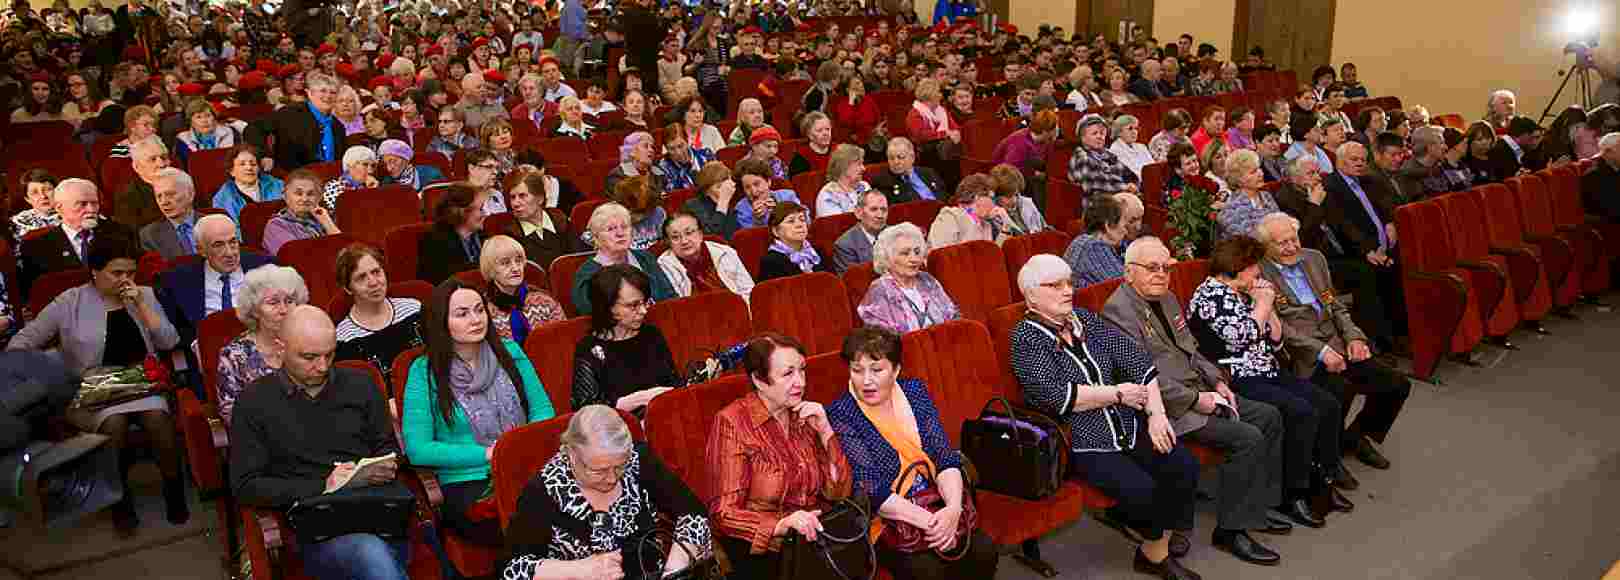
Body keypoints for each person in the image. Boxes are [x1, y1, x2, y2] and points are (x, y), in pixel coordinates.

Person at [1007, 254, 1202, 580]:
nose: (1067, 290)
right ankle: (1155, 553)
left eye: (1069, 283)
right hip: (1081, 440)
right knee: (1144, 491)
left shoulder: (1084, 319)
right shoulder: (1026, 338)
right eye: (1054, 286)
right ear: (1031, 295)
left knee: (1182, 465)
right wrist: (1118, 394)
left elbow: (1139, 362)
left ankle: (1159, 543)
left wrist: (1156, 415)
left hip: (1126, 422)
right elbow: (1059, 396)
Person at [1101, 237, 1290, 564]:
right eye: (1152, 268)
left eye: (1166, 267)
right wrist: (1195, 398)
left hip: (1201, 388)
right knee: (1248, 437)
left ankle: (1256, 507)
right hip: (1164, 406)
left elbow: (1192, 349)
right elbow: (1142, 375)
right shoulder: (1118, 310)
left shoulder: (1168, 298)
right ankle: (1231, 531)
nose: (1161, 274)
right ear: (1129, 272)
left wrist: (1217, 379)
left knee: (1269, 416)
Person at [8, 237, 186, 534]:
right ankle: (119, 499)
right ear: (94, 271)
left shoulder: (144, 295)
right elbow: (22, 343)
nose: (125, 280)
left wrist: (142, 305)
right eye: (116, 273)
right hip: (92, 390)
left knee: (157, 418)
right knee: (113, 424)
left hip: (140, 383)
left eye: (130, 273)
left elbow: (169, 342)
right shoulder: (69, 302)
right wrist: (51, 369)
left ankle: (174, 489)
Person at [229, 305, 409, 580]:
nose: (322, 366)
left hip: (376, 509)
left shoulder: (361, 384)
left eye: (329, 354)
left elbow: (387, 447)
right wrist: (324, 485)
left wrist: (383, 466)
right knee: (372, 555)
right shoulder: (254, 402)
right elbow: (245, 486)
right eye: (309, 357)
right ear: (280, 349)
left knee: (379, 553)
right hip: (316, 526)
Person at [1185, 237, 1357, 519]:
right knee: (1300, 412)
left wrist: (1269, 310)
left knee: (1328, 404)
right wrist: (1264, 304)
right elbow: (1240, 339)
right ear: (1237, 267)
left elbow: (1275, 343)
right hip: (1237, 377)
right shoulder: (1208, 296)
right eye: (1254, 267)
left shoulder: (1245, 292)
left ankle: (1322, 478)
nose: (1258, 273)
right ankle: (1293, 493)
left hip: (1266, 369)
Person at [826, 326, 1000, 577]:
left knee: (984, 551)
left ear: (895, 370)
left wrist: (952, 510)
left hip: (935, 499)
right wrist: (936, 527)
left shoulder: (914, 392)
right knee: (927, 571)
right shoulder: (843, 412)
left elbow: (943, 455)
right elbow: (873, 490)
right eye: (857, 370)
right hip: (890, 519)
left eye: (876, 370)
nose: (866, 380)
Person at [403, 278, 554, 546]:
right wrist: (488, 453)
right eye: (462, 314)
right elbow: (418, 448)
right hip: (467, 481)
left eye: (479, 309)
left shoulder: (509, 351)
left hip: (525, 466)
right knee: (528, 524)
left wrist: (518, 448)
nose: (476, 319)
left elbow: (543, 412)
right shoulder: (423, 371)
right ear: (441, 322)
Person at [1255, 213, 1411, 471]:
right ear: (1266, 247)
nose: (1292, 247)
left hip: (1339, 342)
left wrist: (1355, 337)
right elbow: (1283, 329)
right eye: (1282, 243)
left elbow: (1335, 305)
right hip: (1303, 355)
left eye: (1294, 239)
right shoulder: (1260, 273)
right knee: (1340, 389)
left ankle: (1354, 437)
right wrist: (1322, 350)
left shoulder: (1314, 258)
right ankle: (1329, 456)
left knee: (1396, 385)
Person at [705, 332, 852, 578]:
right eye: (788, 374)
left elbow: (838, 492)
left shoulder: (803, 415)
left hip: (813, 541)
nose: (801, 382)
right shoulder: (733, 422)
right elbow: (724, 514)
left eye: (802, 370)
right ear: (760, 381)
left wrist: (826, 430)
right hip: (765, 552)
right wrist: (781, 525)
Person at [504, 405, 712, 578]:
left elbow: (693, 512)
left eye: (619, 466)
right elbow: (514, 569)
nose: (612, 478)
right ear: (570, 454)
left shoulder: (638, 460)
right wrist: (580, 570)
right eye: (599, 471)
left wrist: (675, 568)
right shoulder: (542, 492)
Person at [1322, 142, 1407, 351]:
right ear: (1339, 161)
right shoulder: (1331, 186)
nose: (1360, 163)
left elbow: (1385, 203)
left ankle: (1402, 334)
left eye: (1363, 159)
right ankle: (1377, 341)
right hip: (1355, 251)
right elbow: (1342, 225)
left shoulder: (1369, 180)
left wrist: (1389, 222)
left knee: (1403, 269)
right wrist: (1367, 251)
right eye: (1354, 159)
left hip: (1383, 245)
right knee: (1369, 277)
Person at [572, 264, 681, 414]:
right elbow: (586, 410)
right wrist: (635, 400)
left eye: (645, 302)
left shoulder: (652, 334)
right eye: (633, 305)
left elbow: (673, 384)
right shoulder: (589, 349)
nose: (643, 311)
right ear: (608, 306)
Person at [214, 264, 308, 426]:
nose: (284, 309)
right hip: (265, 440)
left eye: (289, 301)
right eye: (273, 303)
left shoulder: (309, 340)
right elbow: (232, 414)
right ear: (255, 310)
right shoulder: (234, 356)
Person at [18, 179, 136, 297]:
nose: (91, 209)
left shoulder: (120, 234)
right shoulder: (37, 247)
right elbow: (35, 294)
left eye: (94, 203)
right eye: (82, 204)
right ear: (59, 208)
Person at [332, 243, 424, 391]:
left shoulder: (414, 309)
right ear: (347, 288)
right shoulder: (344, 339)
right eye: (361, 277)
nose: (374, 282)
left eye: (376, 272)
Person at [570, 202, 677, 314]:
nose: (620, 233)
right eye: (611, 229)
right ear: (596, 237)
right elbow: (593, 318)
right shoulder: (587, 275)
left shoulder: (645, 258)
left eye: (625, 227)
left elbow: (670, 299)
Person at [857, 223, 961, 333]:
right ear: (887, 258)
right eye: (905, 253)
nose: (914, 259)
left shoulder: (927, 280)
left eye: (917, 252)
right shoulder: (880, 290)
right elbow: (883, 341)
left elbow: (953, 316)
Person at [244, 72, 346, 171]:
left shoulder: (338, 126)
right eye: (323, 91)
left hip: (327, 179)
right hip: (292, 176)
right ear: (310, 93)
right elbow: (253, 129)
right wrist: (264, 155)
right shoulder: (290, 113)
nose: (328, 96)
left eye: (333, 92)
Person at [479, 235, 565, 344]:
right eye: (505, 263)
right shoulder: (483, 310)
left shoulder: (545, 301)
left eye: (519, 261)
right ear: (490, 269)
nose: (515, 268)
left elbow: (563, 342)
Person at [658, 211, 757, 303]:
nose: (684, 241)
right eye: (675, 237)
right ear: (668, 242)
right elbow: (676, 306)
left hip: (735, 310)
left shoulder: (724, 252)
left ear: (700, 234)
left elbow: (748, 291)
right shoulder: (664, 265)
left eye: (689, 233)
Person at [503, 170, 583, 271]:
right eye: (512, 197)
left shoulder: (561, 221)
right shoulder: (510, 235)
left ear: (540, 198)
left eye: (522, 196)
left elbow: (579, 260)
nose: (515, 203)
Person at [418, 183, 487, 285]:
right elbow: (445, 282)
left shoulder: (483, 235)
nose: (485, 214)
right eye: (480, 209)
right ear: (463, 212)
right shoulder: (435, 242)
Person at [263, 169, 342, 256]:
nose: (304, 199)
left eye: (310, 194)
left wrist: (327, 223)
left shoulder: (327, 217)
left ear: (319, 198)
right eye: (298, 193)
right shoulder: (276, 225)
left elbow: (345, 251)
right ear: (284, 195)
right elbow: (298, 256)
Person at [1065, 194, 1136, 287]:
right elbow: (1127, 285)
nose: (1126, 232)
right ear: (1108, 226)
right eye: (1124, 226)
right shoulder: (1092, 246)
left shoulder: (1084, 241)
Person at [928, 173, 1015, 247]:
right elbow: (942, 255)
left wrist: (1005, 227)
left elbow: (992, 256)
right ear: (977, 197)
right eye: (991, 198)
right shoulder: (950, 216)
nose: (994, 204)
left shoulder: (985, 224)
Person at [904, 79, 963, 186]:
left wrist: (956, 133)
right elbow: (920, 136)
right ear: (930, 95)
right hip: (925, 151)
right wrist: (945, 134)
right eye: (938, 92)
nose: (941, 95)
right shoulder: (914, 113)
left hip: (944, 150)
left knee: (953, 150)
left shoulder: (942, 110)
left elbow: (955, 127)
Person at [1069, 114, 1141, 196]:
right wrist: (1125, 187)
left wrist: (1134, 185)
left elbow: (1131, 176)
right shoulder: (1081, 157)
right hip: (1097, 203)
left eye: (1102, 133)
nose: (1100, 137)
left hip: (1121, 197)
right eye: (1094, 133)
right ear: (1083, 138)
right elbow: (1095, 184)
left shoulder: (1108, 155)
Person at [759, 201, 832, 281]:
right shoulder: (771, 262)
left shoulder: (818, 251)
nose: (799, 225)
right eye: (791, 221)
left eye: (802, 219)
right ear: (775, 231)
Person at [137, 167, 200, 260]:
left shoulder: (214, 224)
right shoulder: (149, 235)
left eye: (170, 194)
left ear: (190, 194)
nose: (164, 202)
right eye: (159, 196)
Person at [212, 144, 286, 222]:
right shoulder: (222, 198)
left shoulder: (277, 185)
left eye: (253, 164)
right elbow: (229, 229)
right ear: (231, 171)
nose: (249, 168)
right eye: (242, 164)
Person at [1217, 151, 1279, 239]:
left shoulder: (1266, 196)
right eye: (1253, 172)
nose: (1261, 174)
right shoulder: (1232, 208)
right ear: (1239, 179)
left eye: (1259, 169)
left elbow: (1280, 223)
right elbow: (1248, 241)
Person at [872, 137, 949, 205]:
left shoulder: (929, 172)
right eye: (891, 158)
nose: (896, 162)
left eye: (900, 157)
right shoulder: (883, 182)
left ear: (912, 157)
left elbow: (944, 196)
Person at [990, 110, 1059, 185]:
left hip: (1024, 172)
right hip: (1004, 178)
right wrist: (1034, 173)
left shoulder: (1045, 140)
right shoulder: (1020, 143)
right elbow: (1009, 169)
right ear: (1046, 131)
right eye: (1055, 128)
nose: (1057, 130)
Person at [115, 137, 171, 229]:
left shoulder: (181, 182)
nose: (162, 164)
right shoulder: (128, 195)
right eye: (153, 159)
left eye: (164, 158)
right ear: (137, 167)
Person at [735, 158, 803, 229]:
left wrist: (781, 212)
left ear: (768, 182)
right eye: (747, 187)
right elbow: (750, 237)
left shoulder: (788, 196)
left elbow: (806, 220)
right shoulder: (742, 209)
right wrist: (758, 221)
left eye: (757, 184)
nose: (754, 191)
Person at [834, 190, 890, 273]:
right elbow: (853, 282)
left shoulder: (896, 235)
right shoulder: (845, 245)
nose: (880, 215)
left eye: (884, 210)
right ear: (858, 213)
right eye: (873, 209)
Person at [685, 162, 745, 240]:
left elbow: (734, 237)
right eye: (719, 187)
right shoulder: (693, 206)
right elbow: (711, 236)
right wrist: (722, 203)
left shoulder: (732, 204)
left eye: (725, 187)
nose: (725, 191)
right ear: (706, 190)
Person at [174, 99, 236, 167]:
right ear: (191, 122)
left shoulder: (229, 132)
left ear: (214, 118)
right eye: (198, 117)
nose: (204, 121)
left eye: (208, 116)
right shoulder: (183, 140)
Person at [817, 144, 876, 217]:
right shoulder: (828, 195)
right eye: (859, 164)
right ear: (844, 167)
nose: (863, 168)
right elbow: (836, 225)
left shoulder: (864, 186)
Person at [604, 131, 669, 196]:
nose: (651, 150)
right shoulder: (617, 176)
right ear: (632, 151)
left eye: (652, 147)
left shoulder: (658, 172)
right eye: (645, 146)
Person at [990, 164, 1048, 232]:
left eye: (1016, 194)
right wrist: (1007, 224)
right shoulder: (993, 214)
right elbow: (1000, 242)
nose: (1014, 200)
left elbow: (1044, 230)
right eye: (1009, 196)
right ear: (996, 195)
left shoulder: (1026, 203)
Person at [322, 146, 381, 211]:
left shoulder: (374, 185)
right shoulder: (334, 186)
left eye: (373, 166)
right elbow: (350, 213)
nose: (370, 171)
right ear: (350, 165)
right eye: (365, 164)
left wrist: (374, 191)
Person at [10, 169, 62, 244]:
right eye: (35, 192)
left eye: (47, 189)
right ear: (27, 199)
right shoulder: (17, 223)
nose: (43, 196)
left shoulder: (74, 214)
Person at [832, 74, 884, 147]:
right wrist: (851, 102)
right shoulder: (843, 104)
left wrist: (877, 129)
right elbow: (845, 122)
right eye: (857, 83)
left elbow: (878, 118)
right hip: (853, 142)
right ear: (848, 90)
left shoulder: (868, 100)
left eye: (861, 83)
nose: (861, 85)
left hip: (872, 138)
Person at [1487, 116, 1545, 182]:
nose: (1537, 142)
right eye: (1535, 137)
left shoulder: (1521, 149)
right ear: (1520, 135)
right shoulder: (1499, 151)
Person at [376, 139, 446, 192]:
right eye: (385, 164)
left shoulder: (431, 174)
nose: (389, 168)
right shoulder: (386, 183)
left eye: (393, 161)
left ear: (406, 159)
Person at [1583, 133, 1620, 223]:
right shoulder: (1594, 177)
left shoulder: (1615, 168)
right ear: (1608, 152)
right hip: (1608, 226)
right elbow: (1611, 210)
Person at [789, 111, 835, 176]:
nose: (825, 133)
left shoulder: (839, 151)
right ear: (809, 135)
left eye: (827, 129)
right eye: (819, 130)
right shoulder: (800, 158)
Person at [1110, 114, 1156, 179]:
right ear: (1119, 132)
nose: (1134, 132)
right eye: (1130, 128)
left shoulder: (1142, 147)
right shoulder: (1115, 150)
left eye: (1136, 128)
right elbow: (1132, 175)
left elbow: (1153, 167)